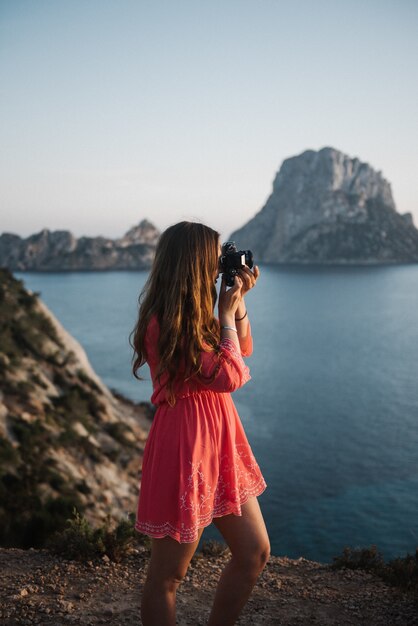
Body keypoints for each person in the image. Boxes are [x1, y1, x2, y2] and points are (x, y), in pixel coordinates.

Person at [130, 221, 270, 626]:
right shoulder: (164, 322)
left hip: (220, 439)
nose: (219, 263)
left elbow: (242, 348)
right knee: (169, 576)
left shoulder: (196, 313)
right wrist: (224, 314)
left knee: (254, 552)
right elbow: (230, 375)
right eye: (213, 256)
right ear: (193, 262)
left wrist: (237, 305)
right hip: (185, 443)